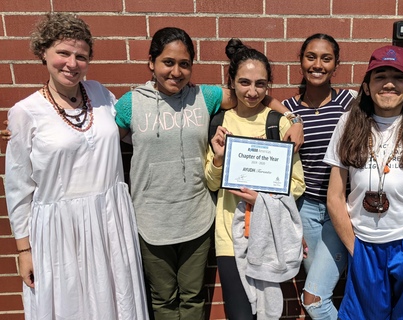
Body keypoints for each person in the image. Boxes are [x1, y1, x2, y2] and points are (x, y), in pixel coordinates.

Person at [113, 27, 303, 320]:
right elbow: (100, 140)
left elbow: (255, 96)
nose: (176, 71)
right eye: (168, 62)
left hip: (199, 219)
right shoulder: (131, 103)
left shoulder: (205, 98)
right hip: (151, 219)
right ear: (151, 62)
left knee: (193, 296)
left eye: (184, 64)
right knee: (162, 298)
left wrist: (292, 118)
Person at [4, 13, 148, 319]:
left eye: (81, 56)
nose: (72, 63)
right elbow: (18, 187)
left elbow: (134, 132)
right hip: (60, 231)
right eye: (63, 53)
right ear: (43, 52)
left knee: (115, 301)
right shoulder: (25, 113)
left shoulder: (100, 94)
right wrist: (24, 251)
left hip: (110, 221)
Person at [324, 45, 403, 319]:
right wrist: (354, 247)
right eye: (380, 76)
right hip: (364, 244)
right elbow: (334, 195)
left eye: (398, 77)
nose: (389, 84)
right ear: (366, 86)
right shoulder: (348, 124)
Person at [205, 38, 306, 320]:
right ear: (232, 82)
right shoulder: (219, 123)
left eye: (260, 84)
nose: (252, 91)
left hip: (269, 234)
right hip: (229, 235)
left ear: (268, 85)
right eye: (245, 82)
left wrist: (263, 199)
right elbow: (212, 183)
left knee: (269, 312)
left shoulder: (279, 122)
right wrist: (219, 158)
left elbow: (297, 183)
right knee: (240, 315)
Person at [282, 33, 354, 319]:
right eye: (311, 57)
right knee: (319, 293)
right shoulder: (288, 110)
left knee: (313, 299)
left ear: (335, 65)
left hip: (342, 209)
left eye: (326, 58)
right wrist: (296, 120)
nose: (318, 64)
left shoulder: (350, 103)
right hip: (306, 210)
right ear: (301, 61)